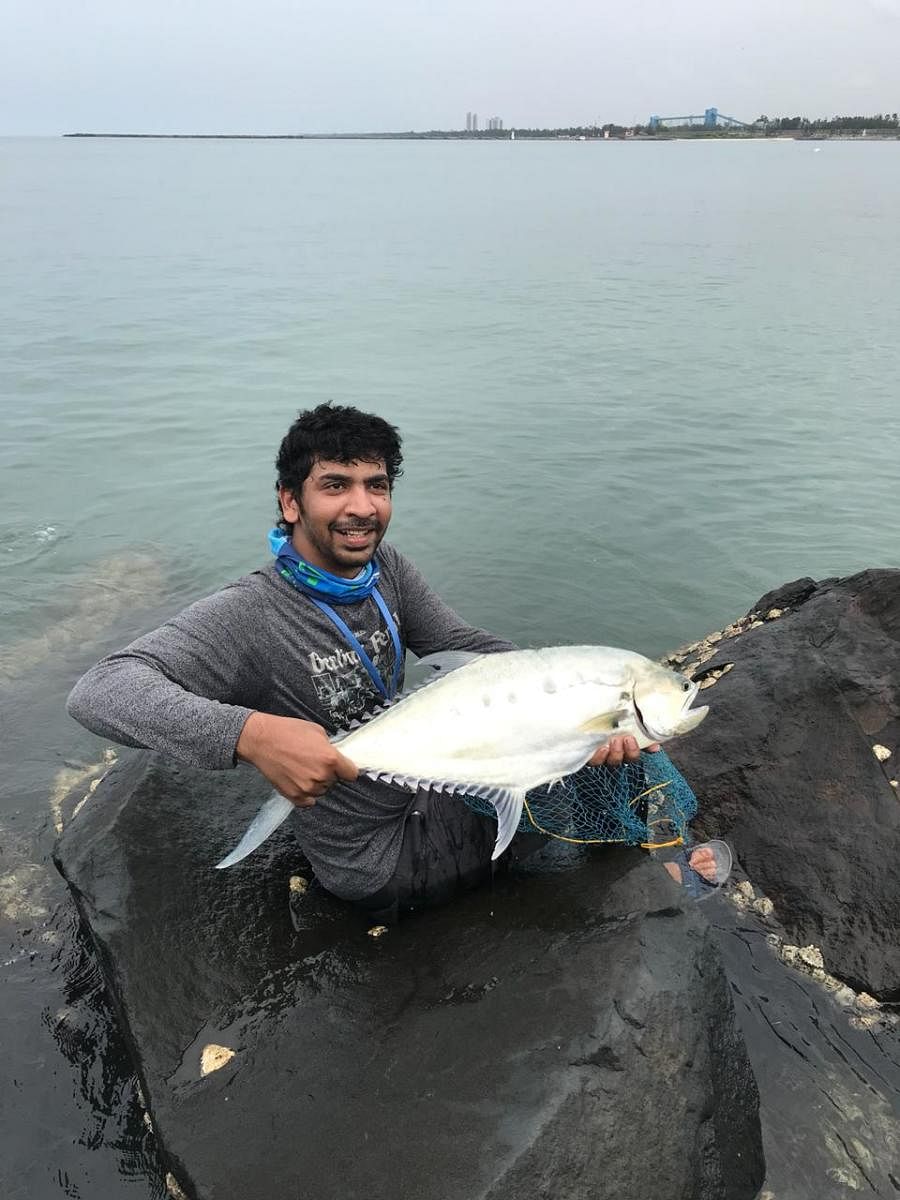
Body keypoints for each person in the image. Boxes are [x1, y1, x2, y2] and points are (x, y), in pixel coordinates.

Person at [67, 403, 725, 919]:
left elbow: (463, 644)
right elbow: (101, 690)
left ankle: (651, 856)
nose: (361, 506)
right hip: (379, 857)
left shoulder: (387, 572)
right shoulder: (252, 614)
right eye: (335, 486)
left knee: (607, 749)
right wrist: (251, 734)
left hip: (429, 785)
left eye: (375, 485)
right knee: (590, 778)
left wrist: (563, 690)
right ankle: (674, 884)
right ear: (289, 501)